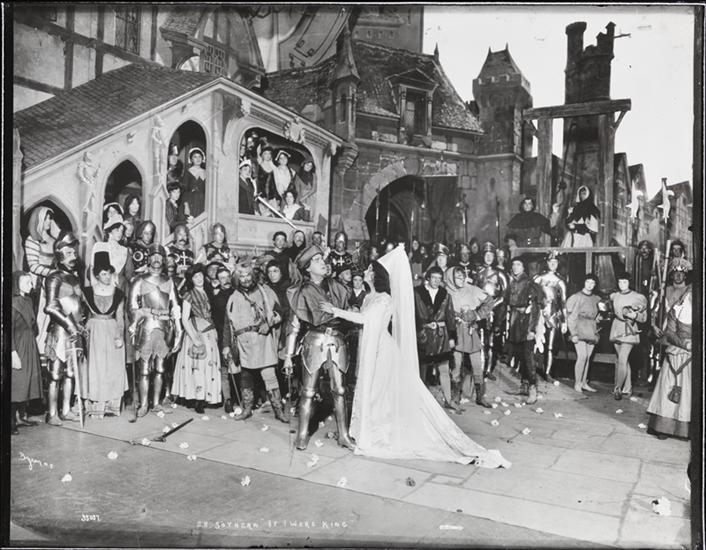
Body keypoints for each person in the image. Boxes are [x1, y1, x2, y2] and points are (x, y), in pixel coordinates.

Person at [321, 246, 510, 467]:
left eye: (370, 270)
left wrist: (335, 310)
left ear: (377, 276)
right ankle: (367, 429)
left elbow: (366, 320)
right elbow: (365, 317)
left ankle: (376, 432)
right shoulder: (370, 296)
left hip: (382, 351)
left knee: (379, 392)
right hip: (371, 347)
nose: (366, 272)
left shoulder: (384, 299)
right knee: (374, 391)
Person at [283, 246, 354, 450]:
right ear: (307, 268)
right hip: (314, 341)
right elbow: (294, 326)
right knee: (308, 391)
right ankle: (302, 435)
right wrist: (288, 355)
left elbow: (350, 313)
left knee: (340, 390)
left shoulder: (338, 287)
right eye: (316, 260)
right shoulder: (300, 292)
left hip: (338, 341)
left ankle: (344, 435)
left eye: (322, 258)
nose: (323, 262)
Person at [222, 260, 287, 422]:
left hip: (262, 340)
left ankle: (278, 410)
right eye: (241, 276)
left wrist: (268, 324)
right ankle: (247, 409)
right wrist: (226, 346)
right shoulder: (233, 297)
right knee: (246, 378)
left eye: (248, 275)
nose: (245, 279)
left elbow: (280, 312)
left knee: (269, 375)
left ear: (253, 275)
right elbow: (227, 324)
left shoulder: (265, 291)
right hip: (243, 343)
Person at [127, 244, 183, 416]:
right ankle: (144, 404)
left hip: (164, 328)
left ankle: (157, 403)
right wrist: (134, 323)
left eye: (160, 256)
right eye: (154, 256)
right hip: (146, 326)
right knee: (144, 369)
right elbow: (132, 306)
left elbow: (175, 307)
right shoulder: (139, 280)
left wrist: (179, 331)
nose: (157, 259)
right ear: (149, 258)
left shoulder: (169, 281)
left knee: (160, 368)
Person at [44, 231, 86, 426]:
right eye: (69, 253)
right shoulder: (54, 277)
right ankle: (52, 413)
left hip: (74, 332)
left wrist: (80, 325)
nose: (73, 257)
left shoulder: (75, 278)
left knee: (71, 373)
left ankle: (67, 410)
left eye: (74, 253)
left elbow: (78, 305)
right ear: (59, 254)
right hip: (60, 332)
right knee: (55, 374)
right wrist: (70, 325)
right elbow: (51, 307)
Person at [647, 259, 692, 439]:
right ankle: (663, 424)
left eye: (682, 273)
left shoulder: (690, 293)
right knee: (666, 380)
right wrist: (654, 326)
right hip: (668, 338)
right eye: (676, 273)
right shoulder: (664, 291)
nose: (678, 276)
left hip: (685, 344)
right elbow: (655, 310)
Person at [171, 264, 222, 413]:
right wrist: (194, 338)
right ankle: (197, 399)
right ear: (191, 279)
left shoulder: (209, 292)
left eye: (200, 276)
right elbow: (185, 319)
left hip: (209, 331)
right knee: (197, 366)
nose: (199, 279)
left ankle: (208, 396)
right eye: (195, 277)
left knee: (209, 365)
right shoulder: (189, 295)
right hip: (196, 332)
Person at [82, 251, 127, 418]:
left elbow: (120, 317)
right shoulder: (86, 292)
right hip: (94, 331)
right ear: (96, 275)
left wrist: (119, 336)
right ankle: (96, 407)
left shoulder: (118, 293)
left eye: (109, 273)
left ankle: (110, 406)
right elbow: (82, 314)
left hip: (111, 330)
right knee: (97, 367)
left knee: (112, 368)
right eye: (103, 274)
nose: (107, 277)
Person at [445, 266, 494, 409]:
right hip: (455, 332)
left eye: (462, 276)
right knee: (456, 365)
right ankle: (455, 396)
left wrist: (477, 315)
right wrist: (452, 318)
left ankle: (480, 396)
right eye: (457, 277)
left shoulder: (471, 289)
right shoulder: (446, 292)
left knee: (477, 364)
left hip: (471, 330)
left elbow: (489, 301)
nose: (461, 279)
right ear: (451, 278)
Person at [414, 265, 459, 412]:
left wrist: (452, 337)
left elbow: (450, 316)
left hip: (441, 336)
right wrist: (420, 329)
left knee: (444, 368)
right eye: (434, 278)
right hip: (424, 336)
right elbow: (413, 314)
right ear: (428, 278)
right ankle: (420, 402)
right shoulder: (417, 293)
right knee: (422, 370)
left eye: (439, 279)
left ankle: (448, 399)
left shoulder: (445, 295)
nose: (436, 281)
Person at [506, 256, 543, 404]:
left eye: (518, 265)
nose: (515, 267)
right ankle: (525, 384)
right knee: (520, 355)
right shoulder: (512, 283)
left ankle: (533, 388)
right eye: (513, 264)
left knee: (528, 357)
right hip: (515, 323)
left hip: (527, 324)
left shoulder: (530, 284)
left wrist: (531, 329)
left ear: (523, 267)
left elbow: (535, 309)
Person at [23, 206, 61, 350]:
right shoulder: (32, 240)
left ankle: (46, 349)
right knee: (38, 316)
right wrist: (53, 273)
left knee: (51, 317)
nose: (48, 221)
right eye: (45, 218)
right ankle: (35, 350)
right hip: (37, 285)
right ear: (38, 219)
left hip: (52, 283)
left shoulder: (54, 241)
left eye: (50, 218)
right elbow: (33, 266)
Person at [11, 271, 43, 435]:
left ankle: (21, 416)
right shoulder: (12, 303)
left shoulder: (29, 300)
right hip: (17, 346)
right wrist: (12, 353)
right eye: (27, 283)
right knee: (17, 384)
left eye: (31, 282)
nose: (31, 285)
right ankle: (10, 421)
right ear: (17, 284)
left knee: (28, 382)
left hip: (29, 344)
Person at [473, 242, 509, 381]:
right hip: (480, 311)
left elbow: (504, 295)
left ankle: (489, 369)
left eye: (491, 255)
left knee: (492, 342)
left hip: (494, 312)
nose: (488, 257)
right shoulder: (478, 272)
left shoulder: (500, 274)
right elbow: (474, 291)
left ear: (494, 257)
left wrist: (492, 305)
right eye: (486, 254)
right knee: (481, 341)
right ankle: (480, 369)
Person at [609, 272, 647, 400]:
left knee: (622, 359)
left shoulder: (638, 297)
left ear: (629, 282)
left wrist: (634, 315)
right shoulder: (615, 296)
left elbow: (644, 318)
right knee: (623, 361)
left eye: (624, 282)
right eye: (620, 282)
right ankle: (627, 388)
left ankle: (618, 388)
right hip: (617, 327)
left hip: (629, 329)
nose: (622, 284)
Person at [533, 251, 568, 382]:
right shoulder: (538, 279)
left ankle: (547, 373)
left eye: (555, 262)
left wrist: (565, 321)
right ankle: (532, 370)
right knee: (534, 343)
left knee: (550, 346)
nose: (553, 264)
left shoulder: (560, 282)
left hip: (553, 315)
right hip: (538, 314)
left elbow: (563, 303)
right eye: (551, 262)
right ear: (547, 263)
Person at [566, 274, 602, 393]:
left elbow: (597, 315)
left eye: (592, 283)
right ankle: (577, 383)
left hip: (591, 329)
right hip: (579, 328)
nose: (590, 285)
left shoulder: (596, 298)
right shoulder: (577, 297)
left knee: (588, 357)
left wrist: (599, 319)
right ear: (583, 282)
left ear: (595, 284)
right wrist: (573, 333)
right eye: (588, 282)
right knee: (582, 356)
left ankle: (584, 383)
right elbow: (571, 317)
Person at [90, 212, 128, 289]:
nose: (120, 233)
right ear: (110, 231)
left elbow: (128, 273)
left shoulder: (124, 250)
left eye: (121, 231)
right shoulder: (100, 246)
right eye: (117, 230)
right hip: (101, 287)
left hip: (118, 287)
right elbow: (94, 269)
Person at [168, 224, 195, 293]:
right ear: (175, 236)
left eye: (185, 235)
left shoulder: (190, 253)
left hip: (187, 285)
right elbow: (165, 269)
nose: (182, 237)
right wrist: (175, 270)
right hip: (173, 283)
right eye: (180, 234)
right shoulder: (169, 251)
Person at [182, 147, 206, 220]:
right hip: (191, 202)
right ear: (191, 159)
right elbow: (184, 190)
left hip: (203, 202)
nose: (198, 159)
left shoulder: (207, 172)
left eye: (199, 156)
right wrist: (186, 206)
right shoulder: (188, 172)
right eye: (195, 157)